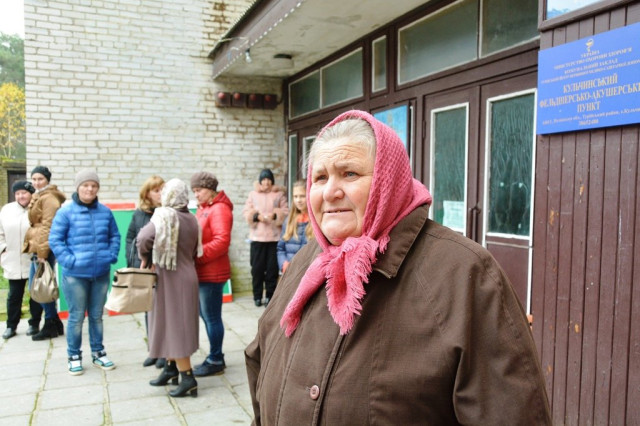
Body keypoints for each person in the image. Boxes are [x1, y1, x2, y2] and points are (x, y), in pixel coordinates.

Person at [245, 110, 552, 425]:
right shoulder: (305, 263)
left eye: (349, 173)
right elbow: (259, 363)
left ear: (387, 179)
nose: (330, 192)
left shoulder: (465, 274)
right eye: (320, 178)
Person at [49, 169, 121, 375]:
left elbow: (114, 236)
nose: (90, 189)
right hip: (75, 276)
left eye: (94, 185)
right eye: (85, 185)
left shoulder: (105, 212)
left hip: (101, 274)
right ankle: (74, 355)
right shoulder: (65, 212)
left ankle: (98, 353)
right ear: (78, 187)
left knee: (97, 316)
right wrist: (70, 261)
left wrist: (110, 256)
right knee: (76, 316)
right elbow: (55, 240)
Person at [138, 178, 201, 398]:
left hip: (170, 277)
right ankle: (170, 368)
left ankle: (188, 378)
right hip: (186, 275)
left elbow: (143, 238)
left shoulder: (164, 215)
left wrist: (146, 257)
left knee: (176, 327)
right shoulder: (191, 218)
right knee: (169, 323)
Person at [190, 171, 233, 377]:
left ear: (210, 189)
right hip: (203, 272)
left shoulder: (219, 209)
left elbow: (222, 241)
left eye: (199, 190)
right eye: (194, 191)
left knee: (212, 317)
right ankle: (215, 355)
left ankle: (216, 359)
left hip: (212, 273)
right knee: (207, 315)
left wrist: (197, 256)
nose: (196, 195)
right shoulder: (205, 208)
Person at [125, 175, 166, 368]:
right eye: (156, 190)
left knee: (163, 312)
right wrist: (135, 262)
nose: (160, 194)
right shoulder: (139, 214)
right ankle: (153, 350)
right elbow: (130, 238)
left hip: (162, 269)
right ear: (147, 194)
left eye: (162, 190)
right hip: (144, 269)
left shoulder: (167, 212)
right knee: (148, 310)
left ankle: (165, 352)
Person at [22, 165, 66, 341]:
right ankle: (54, 322)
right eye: (34, 179)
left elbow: (48, 226)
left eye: (40, 179)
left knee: (41, 287)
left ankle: (50, 324)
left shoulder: (49, 198)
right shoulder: (40, 195)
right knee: (39, 286)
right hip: (39, 246)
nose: (36, 182)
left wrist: (42, 252)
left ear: (47, 180)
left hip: (43, 248)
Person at [1, 181, 41, 339]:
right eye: (17, 193)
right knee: (14, 295)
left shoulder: (37, 208)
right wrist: (3, 249)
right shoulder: (7, 209)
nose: (21, 196)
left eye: (24, 193)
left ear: (30, 193)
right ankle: (11, 326)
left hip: (32, 259)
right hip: (12, 259)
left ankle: (34, 324)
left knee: (35, 293)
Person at [242, 168, 288, 307]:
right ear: (260, 181)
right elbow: (246, 211)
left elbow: (286, 210)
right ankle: (257, 296)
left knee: (272, 270)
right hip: (257, 238)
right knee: (257, 269)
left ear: (272, 181)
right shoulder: (253, 194)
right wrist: (257, 216)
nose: (266, 182)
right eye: (264, 179)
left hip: (274, 238)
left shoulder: (279, 194)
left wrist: (275, 215)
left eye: (269, 179)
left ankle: (270, 296)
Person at [276, 180, 312, 274]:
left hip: (308, 274)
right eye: (295, 196)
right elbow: (280, 249)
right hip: (290, 273)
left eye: (302, 196)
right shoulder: (288, 221)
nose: (298, 200)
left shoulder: (316, 222)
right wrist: (284, 265)